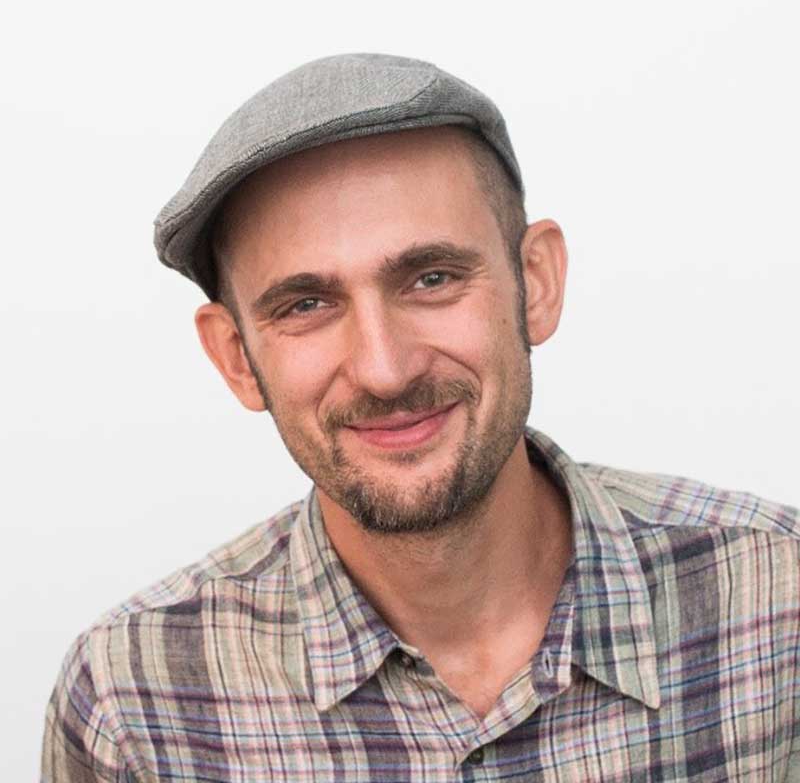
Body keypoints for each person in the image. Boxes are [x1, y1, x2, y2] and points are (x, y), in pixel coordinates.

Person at [42, 53, 799, 782]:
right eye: (306, 304)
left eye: (431, 278)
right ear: (237, 356)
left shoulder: (780, 602)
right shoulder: (132, 701)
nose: (384, 368)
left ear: (534, 285)